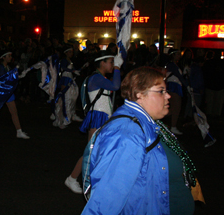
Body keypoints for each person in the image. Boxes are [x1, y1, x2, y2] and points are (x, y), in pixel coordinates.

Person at [82, 67, 197, 214]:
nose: (168, 96)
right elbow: (107, 199)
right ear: (139, 95)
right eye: (161, 91)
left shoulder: (147, 123)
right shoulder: (127, 133)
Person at [64, 51, 123, 194]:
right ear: (101, 63)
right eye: (110, 61)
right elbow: (116, 86)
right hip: (98, 116)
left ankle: (99, 181)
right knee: (90, 152)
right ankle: (72, 178)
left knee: (101, 151)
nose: (112, 64)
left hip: (104, 116)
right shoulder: (96, 78)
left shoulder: (100, 77)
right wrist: (117, 69)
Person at [0, 50, 30, 139]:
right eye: (8, 56)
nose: (10, 57)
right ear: (3, 57)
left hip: (8, 92)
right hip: (1, 93)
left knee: (13, 112)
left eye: (10, 56)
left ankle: (19, 131)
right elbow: (2, 80)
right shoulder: (0, 68)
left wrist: (19, 76)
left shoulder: (7, 67)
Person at [52, 46, 83, 128]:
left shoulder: (70, 61)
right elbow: (63, 68)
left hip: (70, 79)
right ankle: (64, 117)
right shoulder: (64, 60)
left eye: (72, 52)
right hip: (66, 78)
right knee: (66, 98)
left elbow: (76, 70)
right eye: (69, 52)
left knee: (73, 97)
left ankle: (72, 114)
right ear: (66, 53)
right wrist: (73, 71)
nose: (71, 53)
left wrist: (83, 67)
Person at [165, 48, 188, 135]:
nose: (179, 55)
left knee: (175, 108)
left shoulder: (175, 65)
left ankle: (155, 118)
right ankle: (173, 126)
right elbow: (178, 76)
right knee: (176, 107)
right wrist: (187, 85)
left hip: (176, 85)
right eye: (177, 54)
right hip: (173, 86)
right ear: (173, 55)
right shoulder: (171, 65)